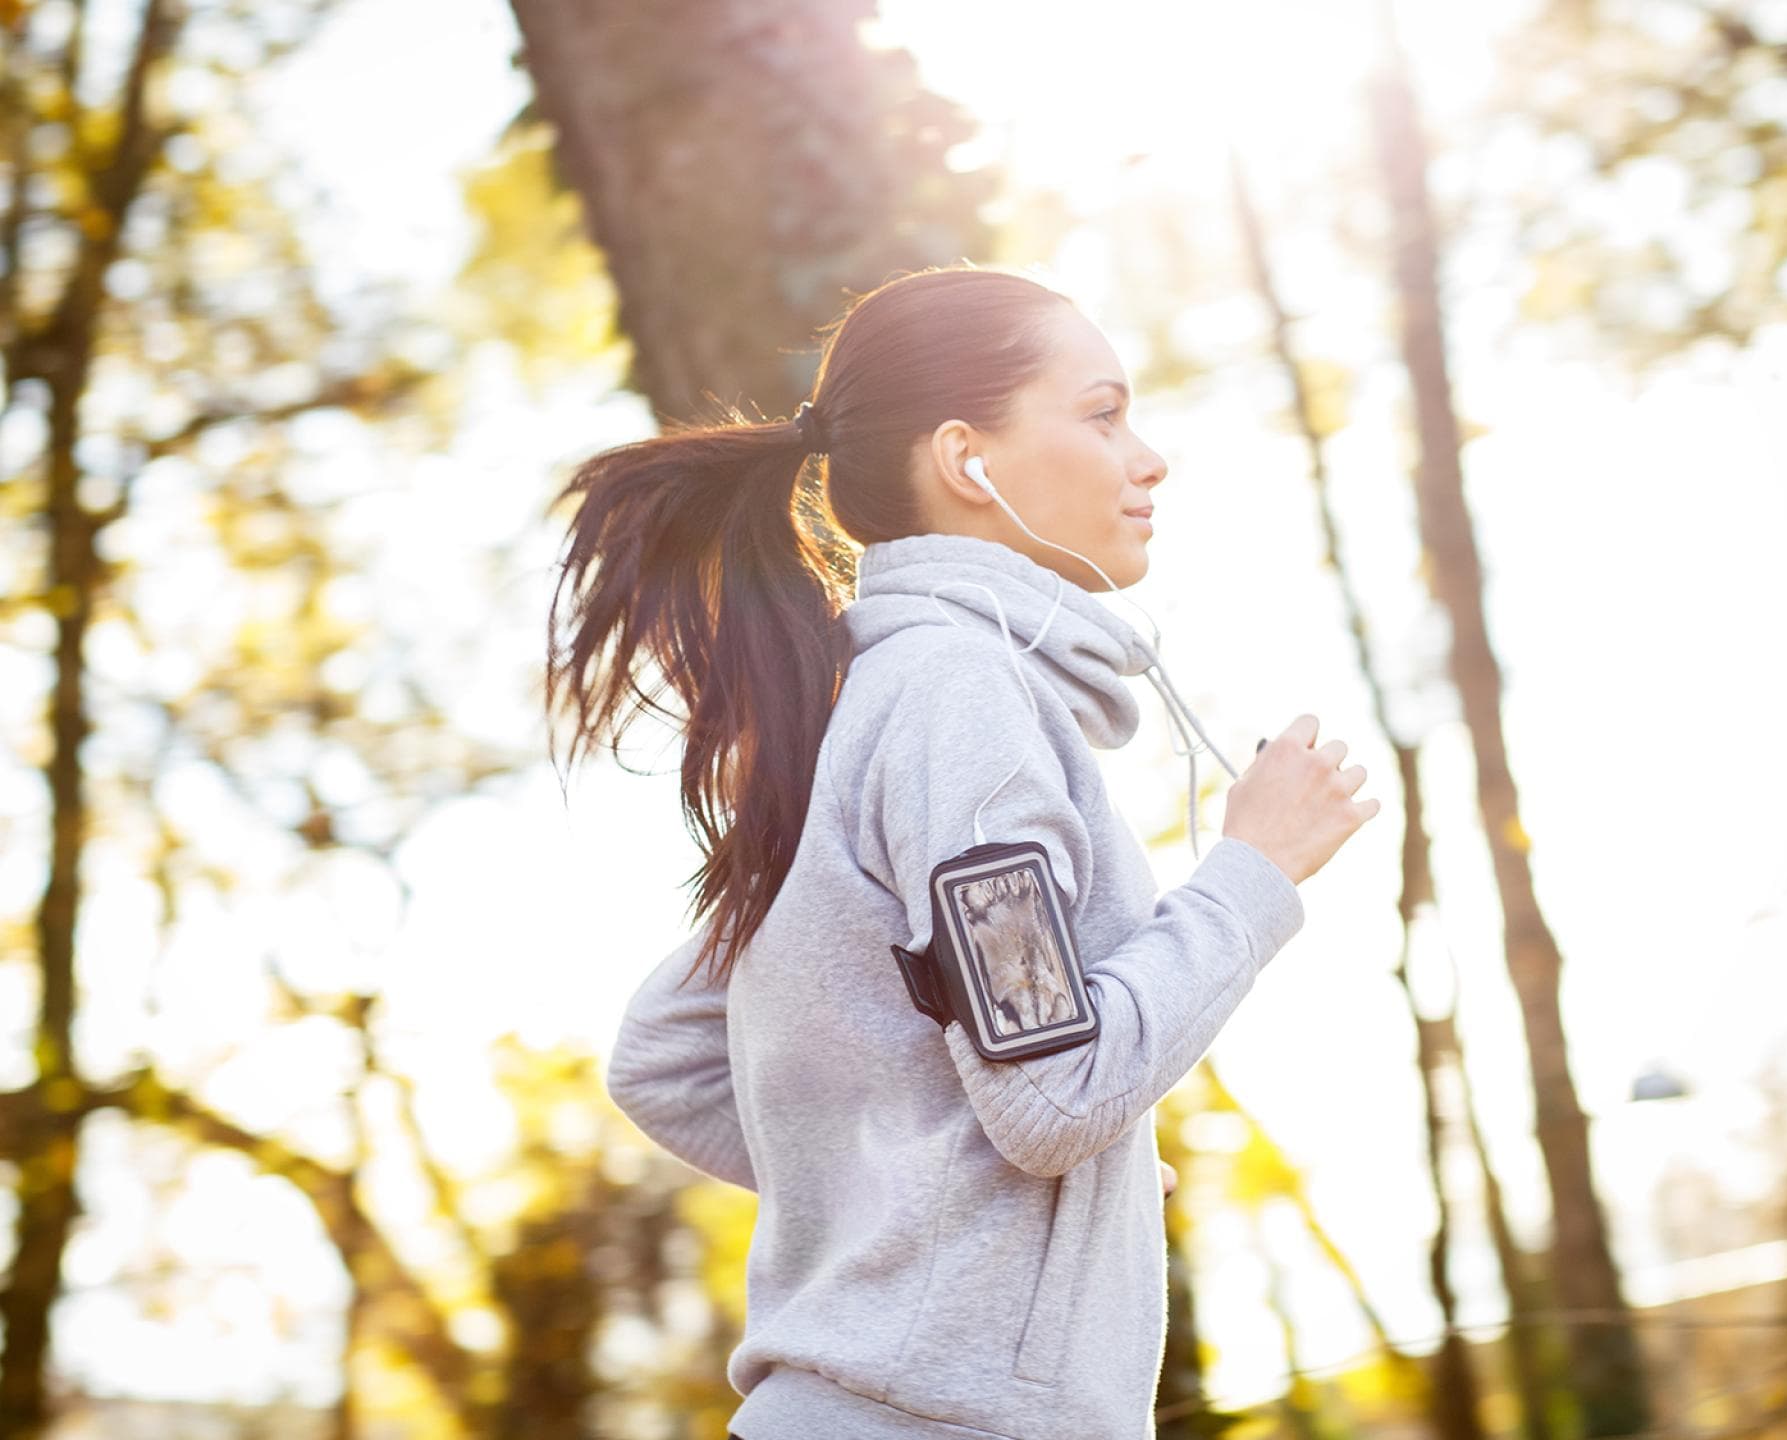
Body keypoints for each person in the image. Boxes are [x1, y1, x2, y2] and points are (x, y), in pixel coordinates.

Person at [545, 263, 1379, 1439]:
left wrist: (994, 1209)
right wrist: (1255, 870)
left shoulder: (873, 703)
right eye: (1101, 413)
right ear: (967, 461)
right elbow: (1051, 1095)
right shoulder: (958, 701)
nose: (1149, 457)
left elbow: (664, 1052)